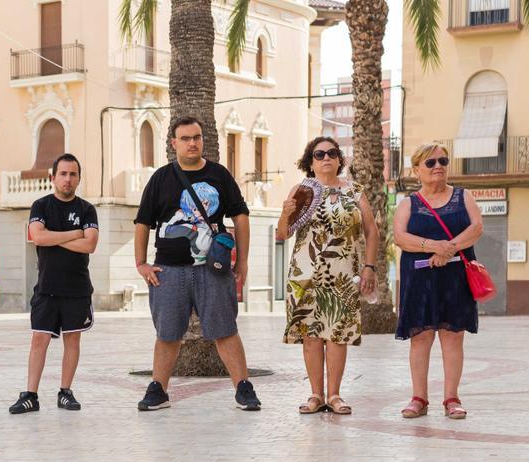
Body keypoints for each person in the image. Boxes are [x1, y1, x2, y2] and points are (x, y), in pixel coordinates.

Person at [133, 116, 261, 412]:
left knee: (225, 329)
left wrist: (242, 260)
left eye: (197, 137)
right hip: (168, 270)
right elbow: (143, 222)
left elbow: (240, 217)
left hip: (212, 270)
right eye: (186, 138)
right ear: (174, 143)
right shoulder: (160, 179)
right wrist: (141, 263)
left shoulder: (219, 175)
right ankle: (158, 389)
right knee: (167, 333)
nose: (193, 143)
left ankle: (243, 387)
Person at [277, 137, 380, 415]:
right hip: (305, 273)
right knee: (311, 335)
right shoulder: (301, 191)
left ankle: (334, 395)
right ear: (310, 161)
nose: (326, 158)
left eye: (332, 153)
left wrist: (369, 267)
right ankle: (315, 395)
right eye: (319, 154)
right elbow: (282, 235)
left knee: (337, 334)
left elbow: (372, 231)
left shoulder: (354, 191)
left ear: (339, 159)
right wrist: (284, 215)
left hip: (343, 274)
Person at [393, 142, 483, 419]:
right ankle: (419, 398)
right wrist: (433, 246)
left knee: (453, 337)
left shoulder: (463, 196)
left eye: (443, 161)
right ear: (417, 169)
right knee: (420, 338)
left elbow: (476, 227)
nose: (438, 167)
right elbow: (400, 237)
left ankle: (452, 398)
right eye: (431, 163)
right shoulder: (408, 203)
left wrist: (449, 249)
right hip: (419, 280)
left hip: (455, 277)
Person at [9, 153, 98, 414]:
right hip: (47, 287)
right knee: (39, 340)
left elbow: (90, 244)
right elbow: (37, 237)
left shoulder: (87, 209)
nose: (67, 179)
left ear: (78, 178)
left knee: (72, 341)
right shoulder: (41, 205)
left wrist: (53, 237)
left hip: (77, 289)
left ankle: (65, 392)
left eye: (72, 174)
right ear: (53, 178)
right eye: (63, 174)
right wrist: (74, 234)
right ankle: (30, 395)